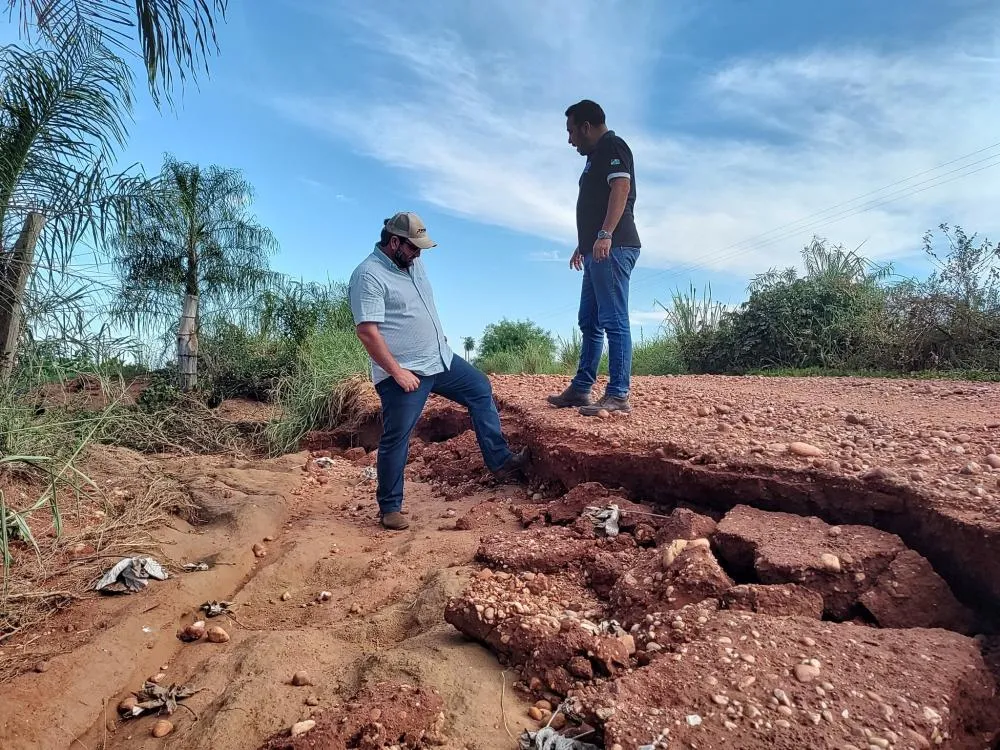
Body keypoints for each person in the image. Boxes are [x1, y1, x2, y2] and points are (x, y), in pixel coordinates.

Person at [349, 212, 528, 530]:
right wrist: (397, 372)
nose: (419, 254)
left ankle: (501, 462)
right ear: (394, 243)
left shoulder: (413, 263)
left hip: (440, 359)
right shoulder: (368, 275)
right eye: (414, 248)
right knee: (397, 436)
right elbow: (367, 332)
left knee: (480, 389)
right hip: (404, 372)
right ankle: (390, 508)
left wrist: (436, 336)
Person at [547, 99, 641, 416]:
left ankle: (617, 395)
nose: (570, 139)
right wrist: (584, 243)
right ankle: (582, 388)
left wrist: (605, 234)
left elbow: (621, 187)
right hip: (596, 249)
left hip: (614, 247)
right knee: (589, 320)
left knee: (613, 319)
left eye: (572, 131)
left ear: (586, 127)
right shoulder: (595, 157)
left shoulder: (613, 145)